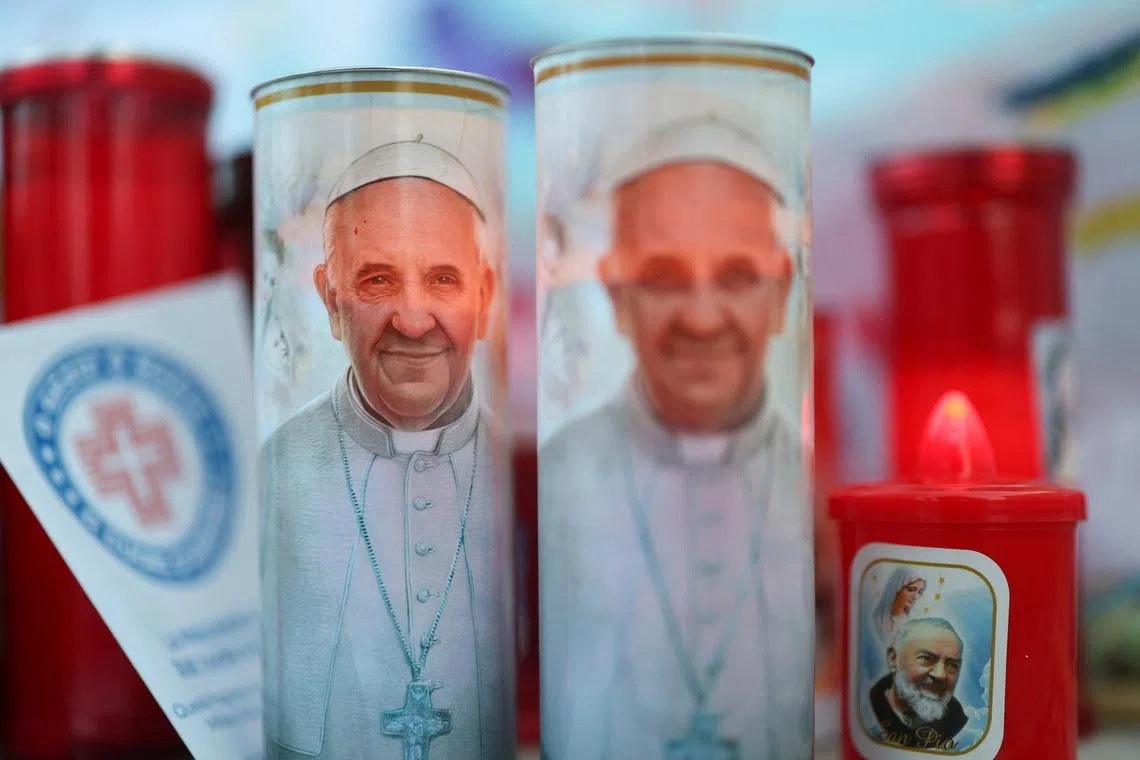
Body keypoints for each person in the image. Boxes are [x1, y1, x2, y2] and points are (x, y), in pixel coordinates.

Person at [539, 113, 812, 759]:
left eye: (738, 277)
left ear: (780, 293)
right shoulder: (564, 473)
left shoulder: (806, 484)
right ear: (615, 293)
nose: (701, 318)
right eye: (663, 279)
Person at [260, 139, 512, 760]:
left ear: (483, 296)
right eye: (377, 280)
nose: (414, 319)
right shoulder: (281, 466)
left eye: (443, 279)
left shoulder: (522, 471)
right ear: (330, 300)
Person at [868, 618, 968, 751]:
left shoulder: (961, 726)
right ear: (893, 659)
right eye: (926, 658)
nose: (941, 674)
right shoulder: (864, 712)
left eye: (952, 665)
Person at [871, 566, 926, 650]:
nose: (916, 596)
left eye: (919, 592)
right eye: (911, 589)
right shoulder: (877, 620)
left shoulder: (914, 620)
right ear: (897, 587)